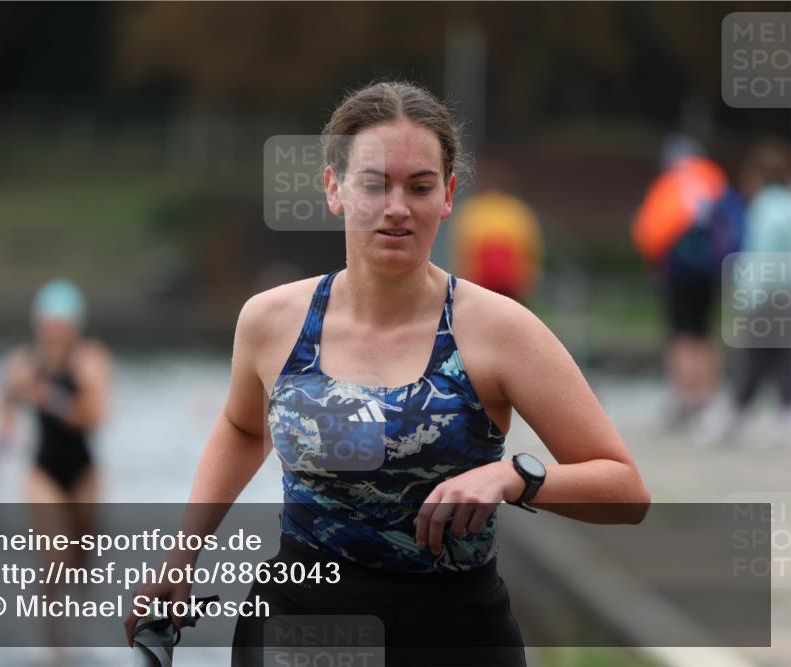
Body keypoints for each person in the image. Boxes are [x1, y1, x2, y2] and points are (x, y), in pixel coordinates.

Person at [124, 81, 650, 666]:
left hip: (454, 630)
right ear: (335, 188)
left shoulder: (500, 330)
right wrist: (181, 558)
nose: (396, 207)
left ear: (448, 196)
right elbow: (244, 429)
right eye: (375, 184)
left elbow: (625, 491)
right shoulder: (272, 321)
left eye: (419, 187)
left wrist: (512, 478)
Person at [0, 279, 112, 649]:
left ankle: (83, 629)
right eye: (49, 325)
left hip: (84, 471)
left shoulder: (90, 360)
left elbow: (96, 415)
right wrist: (5, 430)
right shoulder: (23, 361)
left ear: (74, 327)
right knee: (53, 556)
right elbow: (5, 402)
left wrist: (49, 398)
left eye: (62, 325)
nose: (55, 334)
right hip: (42, 471)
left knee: (82, 557)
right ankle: (54, 644)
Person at [632, 135, 740, 426]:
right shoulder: (714, 181)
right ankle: (707, 396)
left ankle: (686, 399)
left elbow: (648, 232)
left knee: (681, 335)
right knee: (704, 333)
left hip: (678, 273)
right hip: (711, 272)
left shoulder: (670, 185)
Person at [701, 138, 791, 448]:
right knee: (780, 356)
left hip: (767, 294)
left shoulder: (764, 208)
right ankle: (777, 413)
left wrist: (746, 295)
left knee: (751, 356)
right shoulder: (787, 203)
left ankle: (733, 416)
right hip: (786, 292)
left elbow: (760, 257)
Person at [451, 163, 544, 302]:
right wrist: (529, 280)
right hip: (504, 283)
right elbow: (531, 250)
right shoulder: (518, 210)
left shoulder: (472, 211)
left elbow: (462, 251)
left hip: (492, 283)